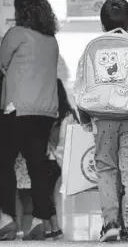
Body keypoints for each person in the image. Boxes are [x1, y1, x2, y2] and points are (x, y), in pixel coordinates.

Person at [74, 0, 128, 243]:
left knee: (106, 169)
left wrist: (84, 118)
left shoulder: (93, 47)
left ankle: (110, 224)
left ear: (102, 24)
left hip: (102, 118)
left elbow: (80, 87)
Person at [0, 0, 59, 241]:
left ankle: (7, 218)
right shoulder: (51, 40)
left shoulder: (16, 34)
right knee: (36, 166)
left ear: (22, 11)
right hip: (46, 111)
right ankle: (40, 220)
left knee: (3, 161)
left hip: (19, 109)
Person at [43, 79, 80, 240]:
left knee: (45, 190)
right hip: (62, 159)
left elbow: (63, 144)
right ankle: (51, 228)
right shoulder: (69, 115)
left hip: (56, 158)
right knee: (48, 191)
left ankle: (52, 227)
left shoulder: (59, 116)